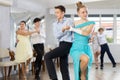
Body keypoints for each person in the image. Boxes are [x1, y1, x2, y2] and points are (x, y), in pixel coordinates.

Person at [64, 1, 95, 80]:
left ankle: (82, 74)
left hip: (86, 48)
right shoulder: (74, 23)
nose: (85, 14)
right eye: (83, 12)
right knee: (86, 59)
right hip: (76, 48)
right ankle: (81, 74)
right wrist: (65, 28)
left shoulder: (91, 23)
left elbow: (86, 33)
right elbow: (68, 33)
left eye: (86, 12)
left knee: (86, 68)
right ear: (78, 13)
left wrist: (90, 38)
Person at [44, 5, 73, 80]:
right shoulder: (55, 24)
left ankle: (54, 78)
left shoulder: (69, 20)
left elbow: (71, 31)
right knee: (63, 67)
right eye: (55, 12)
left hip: (68, 44)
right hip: (61, 44)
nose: (56, 14)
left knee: (47, 56)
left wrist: (63, 31)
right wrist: (63, 30)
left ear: (63, 13)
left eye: (57, 12)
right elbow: (57, 36)